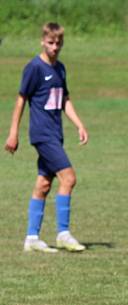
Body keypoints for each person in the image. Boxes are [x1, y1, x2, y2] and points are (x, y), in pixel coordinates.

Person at [5, 22, 88, 253]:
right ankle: (63, 233)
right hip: (42, 135)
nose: (54, 47)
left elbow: (64, 100)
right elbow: (21, 99)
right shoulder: (34, 68)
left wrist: (79, 124)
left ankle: (31, 238)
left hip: (56, 134)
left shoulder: (60, 69)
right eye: (50, 43)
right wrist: (14, 133)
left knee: (43, 184)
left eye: (58, 43)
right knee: (69, 179)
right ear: (42, 41)